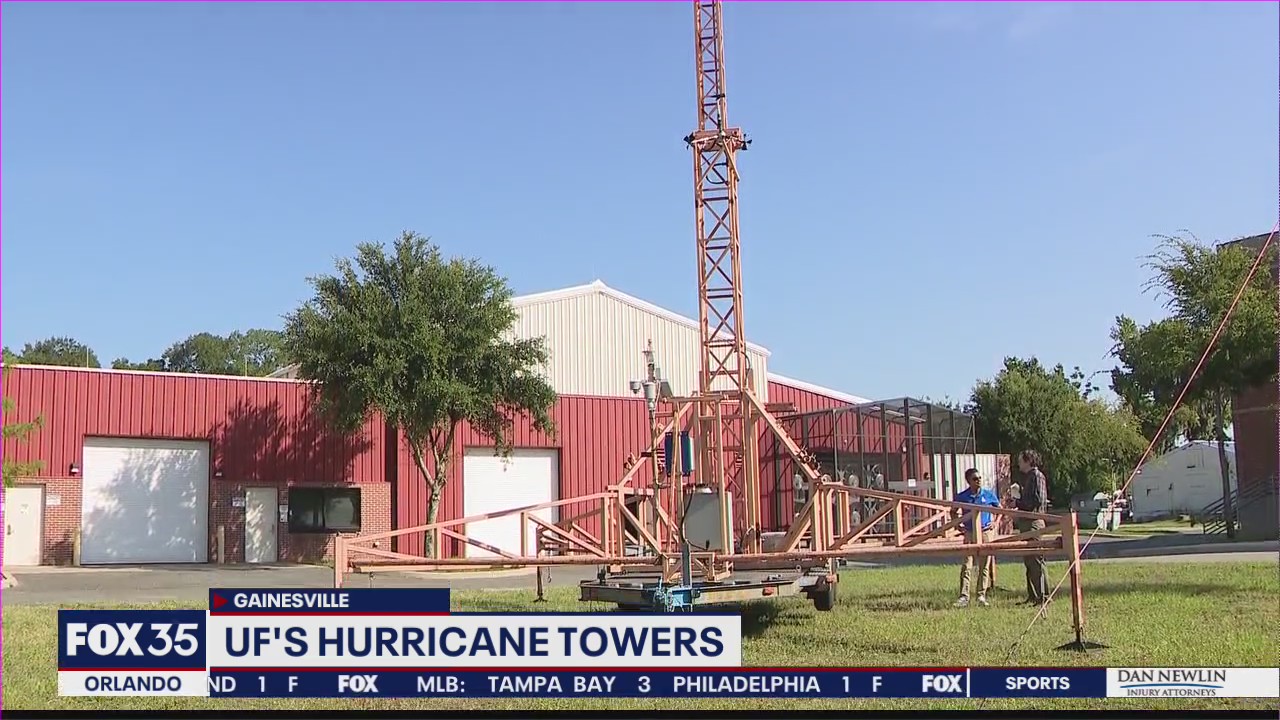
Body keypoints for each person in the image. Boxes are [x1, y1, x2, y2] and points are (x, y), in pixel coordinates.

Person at [953, 468, 1001, 608]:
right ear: (968, 481)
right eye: (975, 478)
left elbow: (1000, 509)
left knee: (984, 565)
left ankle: (981, 595)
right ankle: (964, 596)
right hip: (969, 532)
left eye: (979, 478)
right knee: (967, 564)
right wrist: (957, 525)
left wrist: (995, 522)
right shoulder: (962, 496)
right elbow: (953, 511)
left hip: (986, 532)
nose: (978, 480)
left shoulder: (988, 495)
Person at [1014, 449, 1050, 606]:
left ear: (1028, 460)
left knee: (1036, 560)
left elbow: (1037, 500)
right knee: (1028, 560)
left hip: (1034, 521)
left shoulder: (1036, 476)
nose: (1018, 463)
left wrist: (1018, 502)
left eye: (1020, 460)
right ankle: (1033, 595)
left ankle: (1044, 596)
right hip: (1026, 521)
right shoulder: (1028, 477)